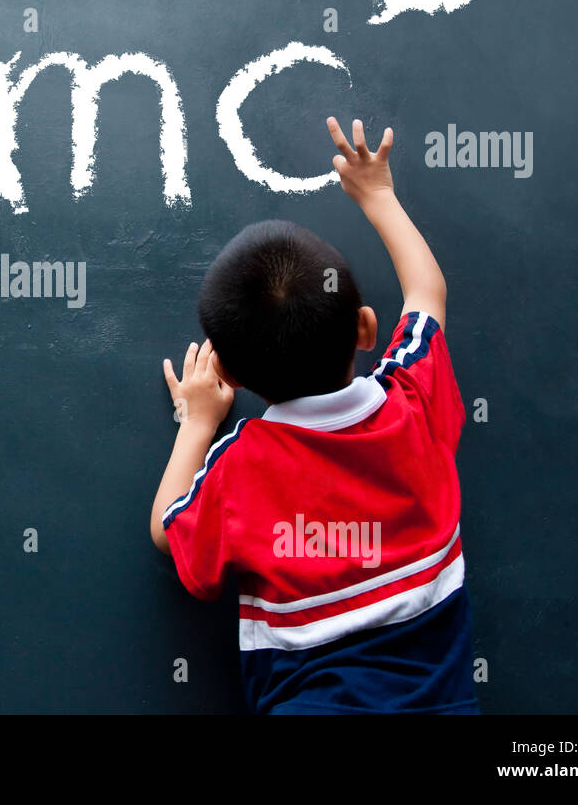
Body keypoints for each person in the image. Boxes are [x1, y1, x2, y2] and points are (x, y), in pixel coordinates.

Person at [150, 117, 479, 714]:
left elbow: (169, 533)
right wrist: (378, 195)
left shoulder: (241, 466)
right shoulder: (415, 401)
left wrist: (198, 424)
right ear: (365, 329)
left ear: (233, 377)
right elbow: (428, 294)